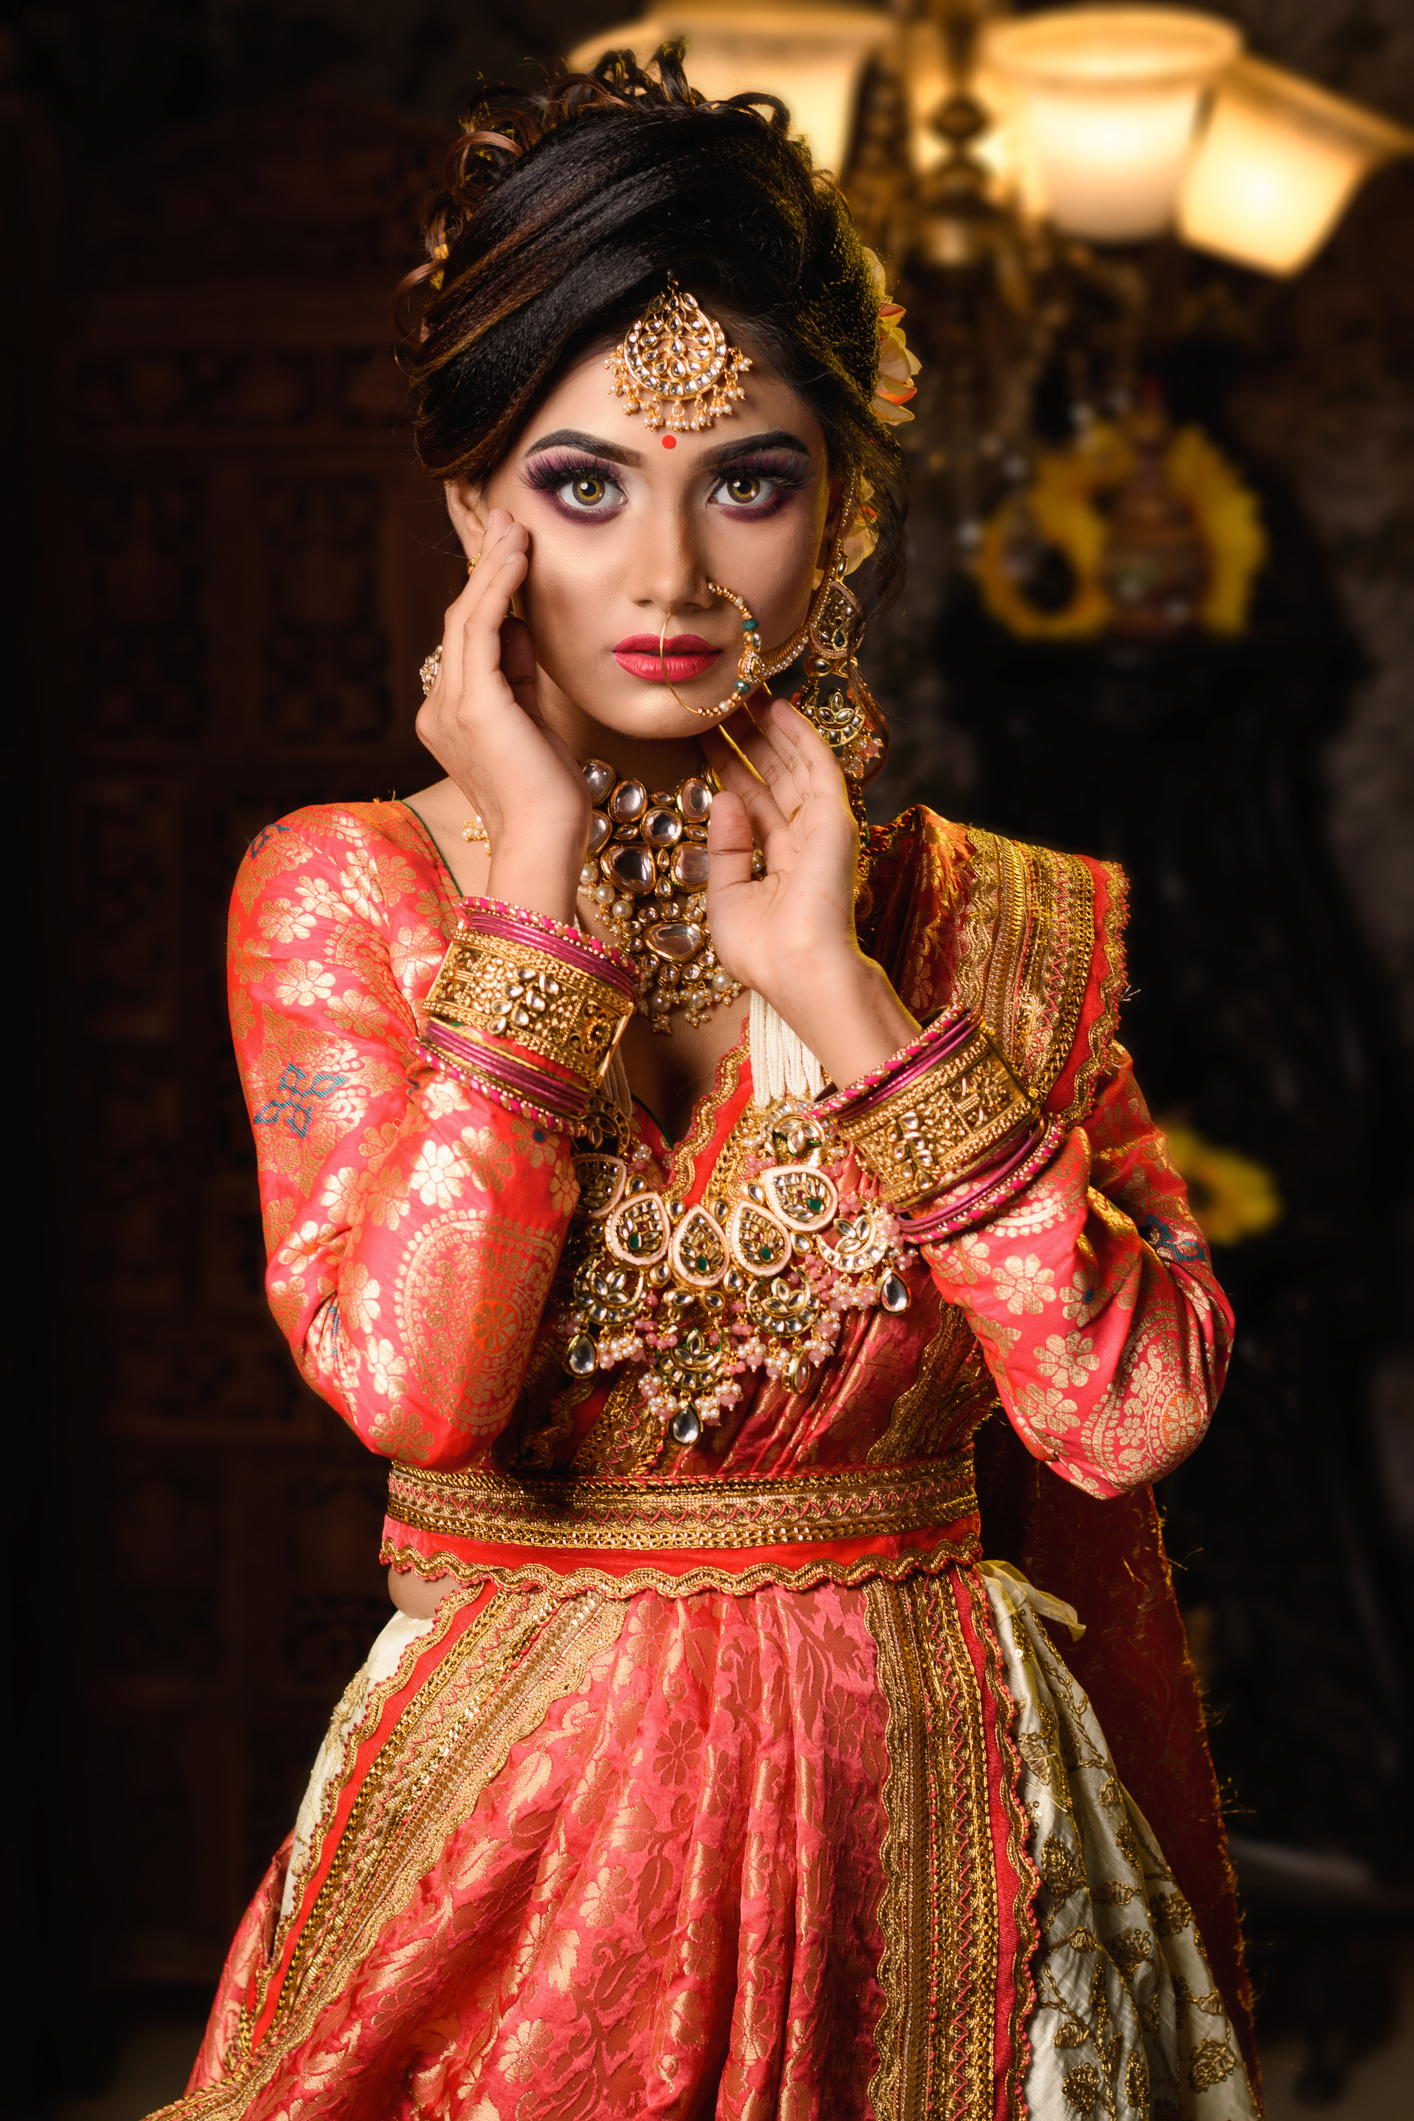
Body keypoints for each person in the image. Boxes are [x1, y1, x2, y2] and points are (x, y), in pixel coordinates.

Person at [159, 49, 1260, 2121]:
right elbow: (420, 1386)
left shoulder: (992, 924)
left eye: (742, 477)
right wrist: (541, 906)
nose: (667, 570)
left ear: (840, 503)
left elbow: (1128, 1408)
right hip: (518, 1852)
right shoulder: (348, 895)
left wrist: (839, 995)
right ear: (476, 511)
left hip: (946, 1847)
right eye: (582, 483)